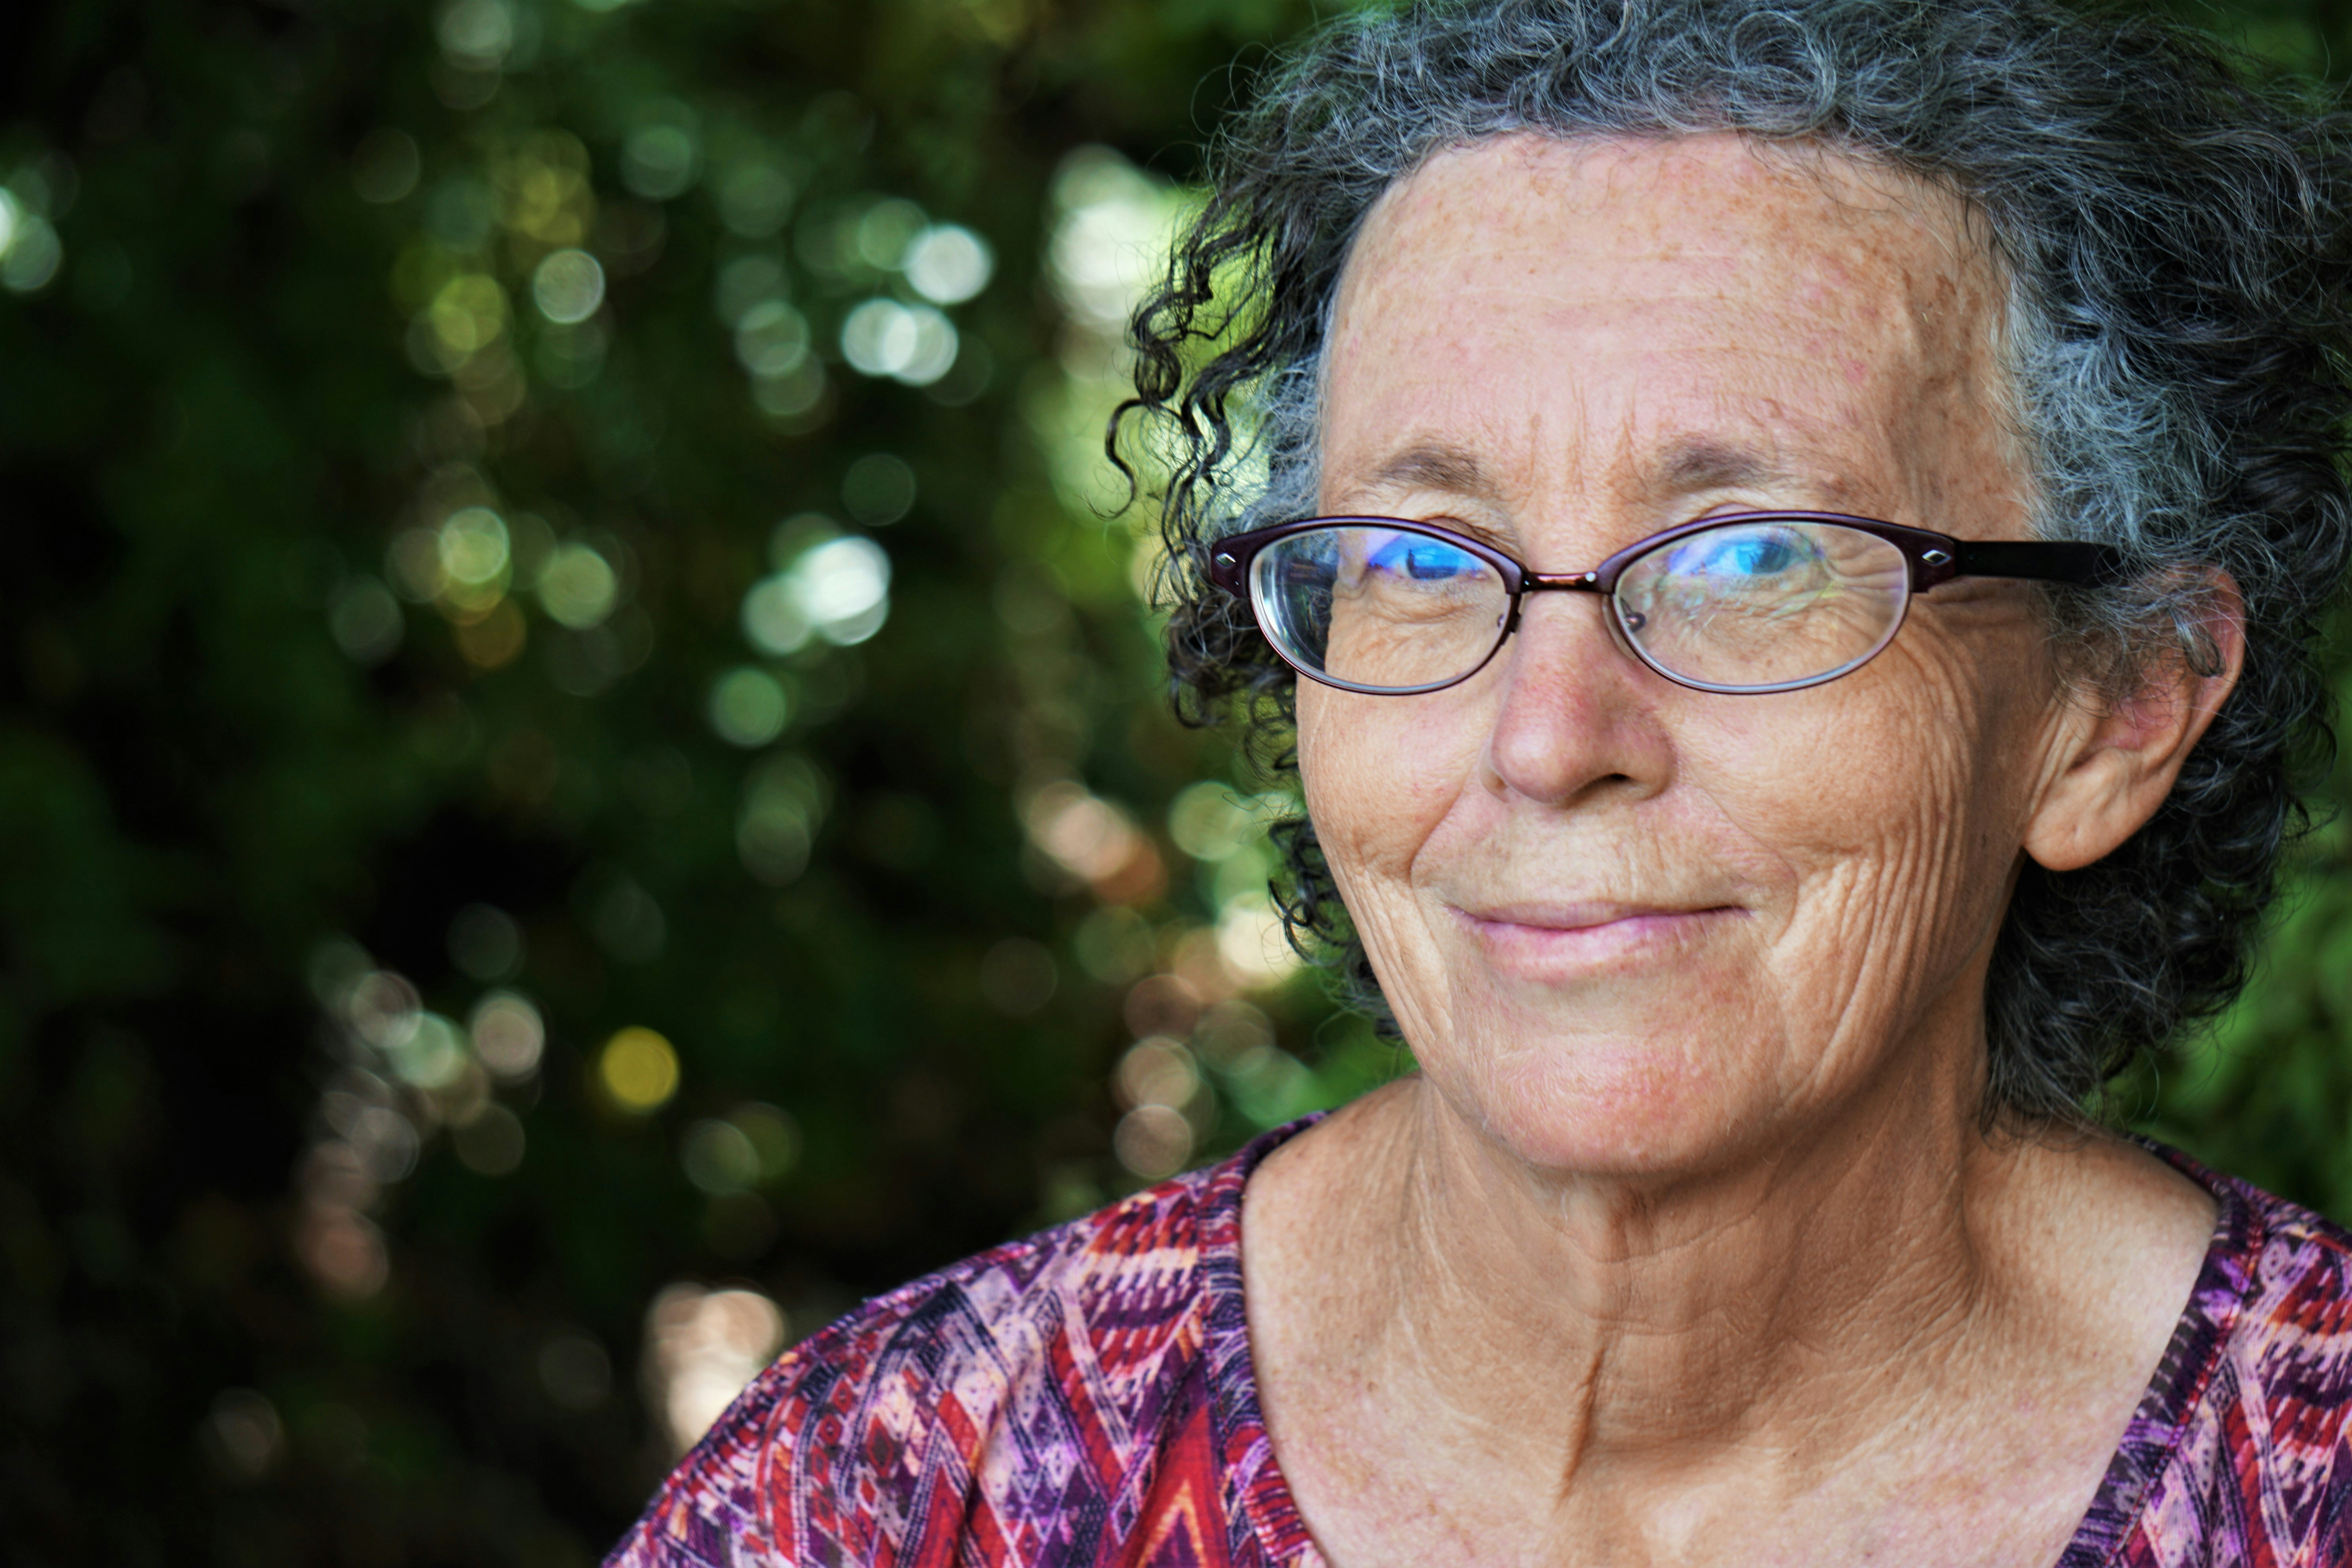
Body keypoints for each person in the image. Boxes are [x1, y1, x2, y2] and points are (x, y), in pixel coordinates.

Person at [609, 1, 2352, 1562]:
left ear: (2111, 702)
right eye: (1422, 560)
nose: (1546, 736)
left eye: (1751, 560)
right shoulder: (897, 1497)